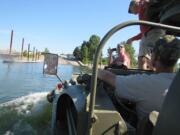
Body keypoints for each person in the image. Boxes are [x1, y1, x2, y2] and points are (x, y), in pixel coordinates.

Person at [98, 35, 180, 120]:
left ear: (157, 57)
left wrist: (95, 71)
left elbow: (107, 76)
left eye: (152, 52)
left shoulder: (145, 82)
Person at [127, 0, 165, 70]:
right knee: (150, 60)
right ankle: (151, 76)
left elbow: (145, 30)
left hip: (153, 31)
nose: (133, 13)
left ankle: (141, 78)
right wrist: (133, 39)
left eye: (131, 11)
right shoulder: (143, 7)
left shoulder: (143, 4)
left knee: (143, 58)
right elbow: (144, 32)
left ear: (134, 5)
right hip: (151, 33)